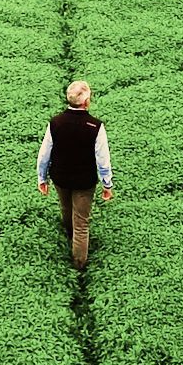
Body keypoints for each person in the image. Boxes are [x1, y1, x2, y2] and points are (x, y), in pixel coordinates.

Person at [36, 80, 113, 269]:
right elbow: (103, 160)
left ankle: (69, 237)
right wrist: (107, 184)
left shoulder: (55, 122)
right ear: (86, 101)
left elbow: (44, 154)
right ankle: (79, 265)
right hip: (84, 181)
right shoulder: (95, 126)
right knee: (81, 223)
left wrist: (42, 178)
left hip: (60, 177)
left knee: (66, 208)